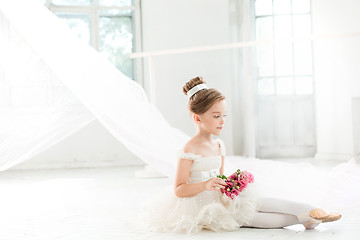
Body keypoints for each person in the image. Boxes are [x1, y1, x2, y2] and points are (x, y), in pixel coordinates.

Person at [139, 76, 341, 234]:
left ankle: (312, 209)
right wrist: (206, 185)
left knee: (261, 201)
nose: (222, 121)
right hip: (203, 203)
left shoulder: (219, 144)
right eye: (216, 116)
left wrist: (232, 182)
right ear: (197, 118)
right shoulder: (189, 149)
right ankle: (307, 218)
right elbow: (179, 189)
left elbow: (220, 176)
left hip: (222, 195)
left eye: (223, 116)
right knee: (254, 218)